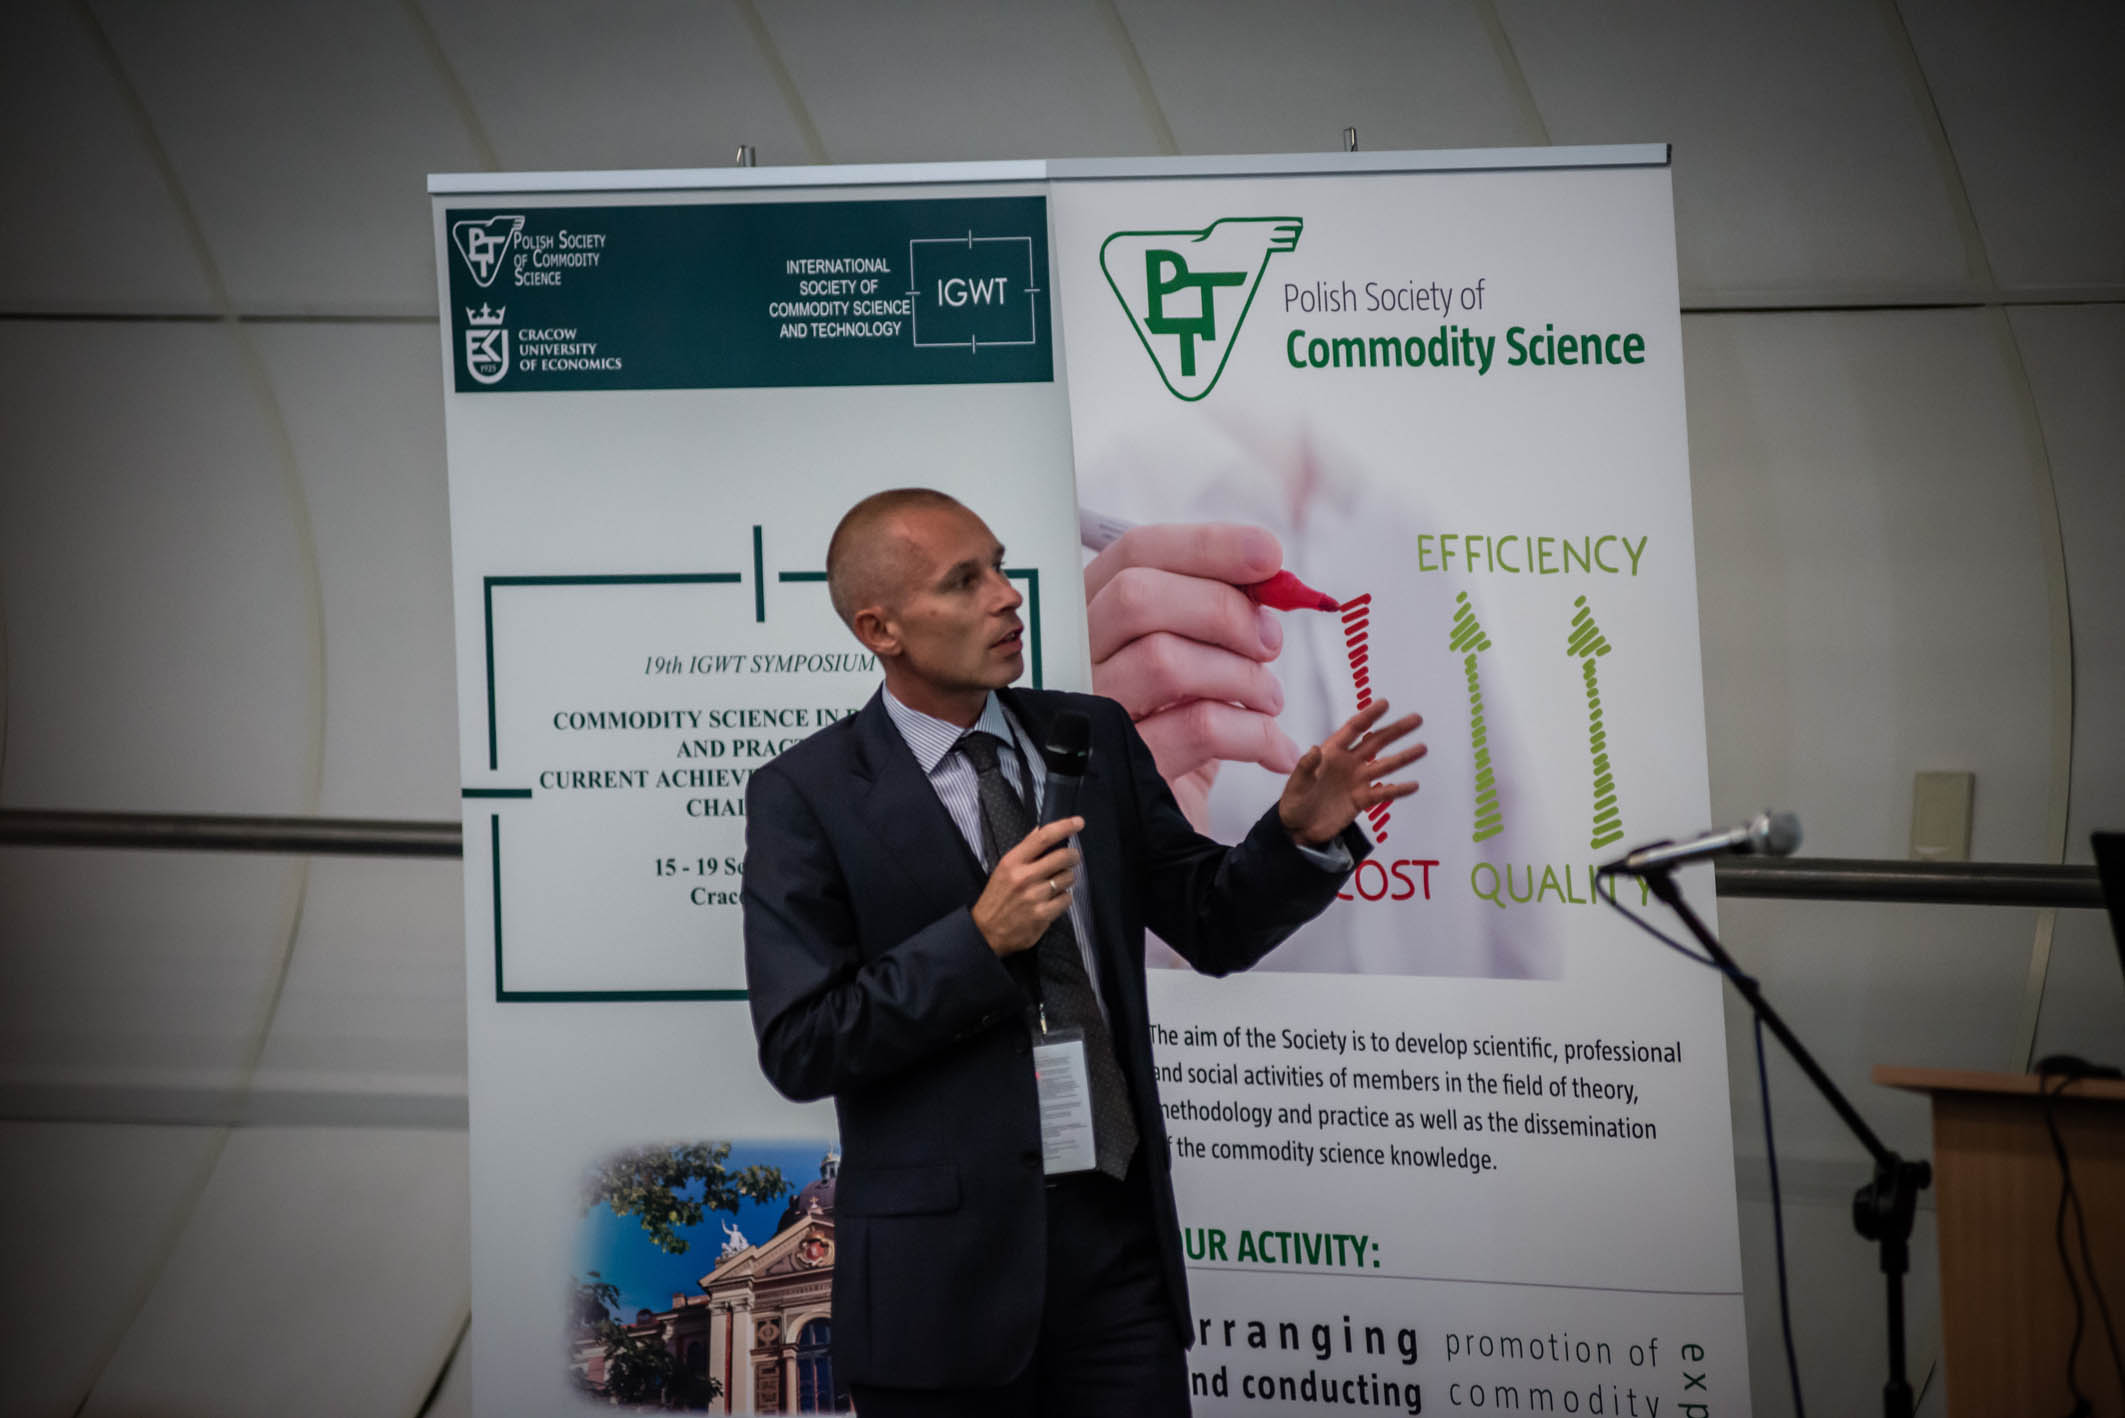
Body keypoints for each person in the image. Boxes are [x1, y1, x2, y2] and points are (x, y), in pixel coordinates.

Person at [742, 488, 1424, 1415]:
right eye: (963, 581)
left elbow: (1212, 923)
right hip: (940, 1291)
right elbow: (803, 1044)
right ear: (880, 628)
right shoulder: (807, 793)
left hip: (1117, 1258)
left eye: (999, 566)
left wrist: (1297, 834)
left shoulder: (1091, 734)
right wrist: (978, 940)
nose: (1006, 595)